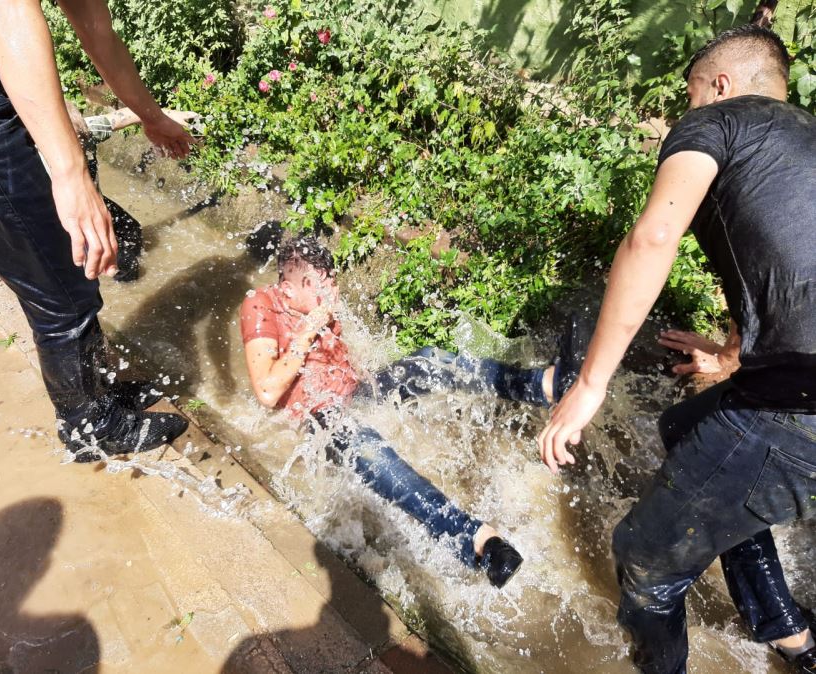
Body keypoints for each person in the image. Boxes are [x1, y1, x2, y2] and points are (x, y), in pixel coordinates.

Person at [537, 25, 815, 674]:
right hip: (797, 386)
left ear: (718, 85)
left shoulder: (717, 121)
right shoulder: (800, 141)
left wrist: (590, 384)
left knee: (642, 557)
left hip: (798, 408)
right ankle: (787, 632)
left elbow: (654, 236)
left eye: (691, 97)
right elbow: (785, 269)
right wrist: (730, 355)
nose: (685, 115)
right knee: (684, 426)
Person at [0, 0, 195, 461]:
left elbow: (99, 35)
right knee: (60, 289)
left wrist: (151, 116)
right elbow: (3, 11)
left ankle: (97, 395)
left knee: (59, 266)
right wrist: (71, 176)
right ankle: (90, 427)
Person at [241, 235, 583, 588]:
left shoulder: (319, 300)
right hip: (317, 421)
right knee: (364, 445)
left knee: (427, 362)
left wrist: (384, 381)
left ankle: (544, 384)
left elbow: (344, 364)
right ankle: (477, 541)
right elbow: (267, 392)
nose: (333, 295)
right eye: (325, 287)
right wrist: (313, 323)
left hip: (352, 397)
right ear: (297, 285)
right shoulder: (261, 305)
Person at [62, 101, 198, 282]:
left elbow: (127, 116)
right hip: (68, 212)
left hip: (95, 198)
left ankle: (125, 269)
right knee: (106, 257)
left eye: (84, 139)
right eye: (77, 142)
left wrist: (168, 114)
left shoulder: (89, 129)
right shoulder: (37, 159)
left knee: (131, 229)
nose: (83, 143)